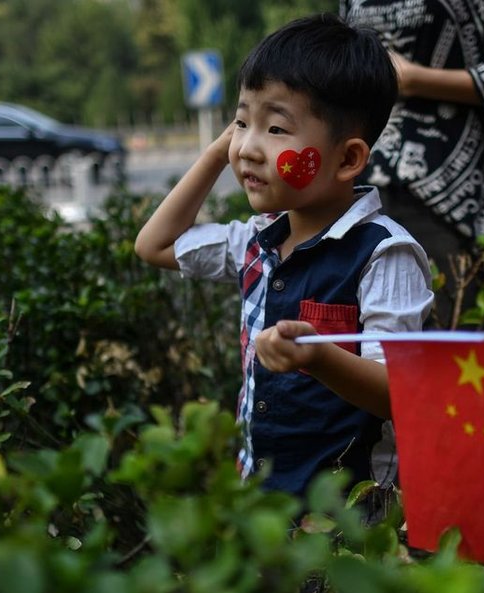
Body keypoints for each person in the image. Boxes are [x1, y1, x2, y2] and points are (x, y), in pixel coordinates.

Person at [134, 13, 433, 499]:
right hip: (260, 498)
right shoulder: (255, 241)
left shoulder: (384, 253)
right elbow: (154, 245)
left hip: (347, 520)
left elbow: (400, 392)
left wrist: (317, 356)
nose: (248, 147)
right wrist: (219, 153)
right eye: (241, 121)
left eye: (275, 128)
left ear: (348, 159)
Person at [339, 0, 484, 325]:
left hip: (454, 204)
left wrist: (415, 79)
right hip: (354, 191)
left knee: (446, 351)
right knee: (357, 345)